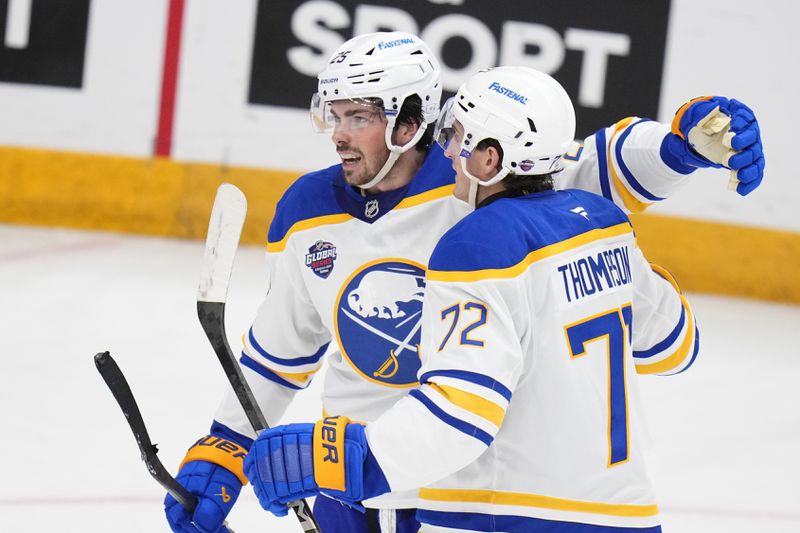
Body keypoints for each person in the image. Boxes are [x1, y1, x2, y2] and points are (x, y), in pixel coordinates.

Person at [164, 31, 764, 533]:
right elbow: (281, 348)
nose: (340, 134)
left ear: (410, 121)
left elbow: (597, 163)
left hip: (450, 484)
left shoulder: (480, 187)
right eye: (337, 115)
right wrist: (225, 445)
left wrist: (679, 149)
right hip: (349, 487)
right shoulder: (306, 209)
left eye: (361, 118)